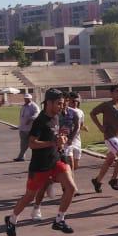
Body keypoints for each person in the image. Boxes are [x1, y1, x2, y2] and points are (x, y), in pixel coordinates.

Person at [4, 90, 77, 236]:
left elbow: (55, 136)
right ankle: (12, 219)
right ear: (49, 103)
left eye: (62, 103)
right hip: (39, 166)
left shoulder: (57, 117)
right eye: (59, 103)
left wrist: (61, 140)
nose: (61, 106)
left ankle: (59, 220)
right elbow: (32, 144)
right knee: (29, 197)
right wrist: (52, 142)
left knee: (71, 188)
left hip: (55, 161)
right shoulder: (40, 121)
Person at [32, 90, 86, 219]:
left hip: (65, 146)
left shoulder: (73, 113)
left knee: (70, 167)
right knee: (45, 183)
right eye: (62, 102)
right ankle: (37, 207)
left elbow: (77, 126)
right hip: (51, 150)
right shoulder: (52, 114)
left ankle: (61, 214)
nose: (64, 104)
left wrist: (69, 139)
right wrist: (54, 141)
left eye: (66, 101)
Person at [90, 83, 118, 193]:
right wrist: (100, 127)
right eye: (117, 91)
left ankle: (97, 181)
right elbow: (92, 113)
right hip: (110, 137)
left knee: (110, 160)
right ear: (111, 93)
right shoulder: (106, 105)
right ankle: (113, 179)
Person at [14, 94, 39, 161]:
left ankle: (37, 157)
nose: (26, 99)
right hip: (22, 128)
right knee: (23, 144)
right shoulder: (24, 106)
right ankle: (21, 157)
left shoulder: (34, 106)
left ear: (30, 98)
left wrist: (30, 119)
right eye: (25, 98)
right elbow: (21, 116)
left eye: (27, 98)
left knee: (32, 143)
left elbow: (37, 114)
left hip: (30, 129)